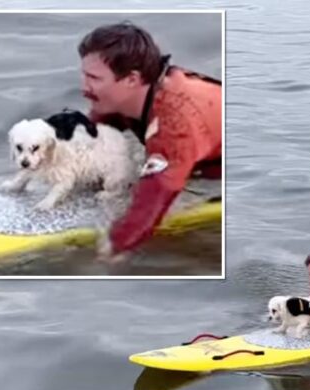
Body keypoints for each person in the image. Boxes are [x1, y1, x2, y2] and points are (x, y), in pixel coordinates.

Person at [78, 22, 222, 259]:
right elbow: (88, 134)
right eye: (84, 75)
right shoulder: (119, 100)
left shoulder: (174, 122)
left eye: (93, 78)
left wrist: (111, 248)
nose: (84, 87)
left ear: (132, 79)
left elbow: (152, 201)